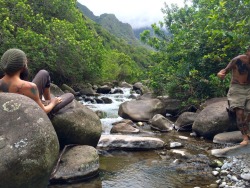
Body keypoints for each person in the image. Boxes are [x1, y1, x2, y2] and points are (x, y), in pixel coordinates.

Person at [0, 48, 74, 117]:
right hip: (32, 115)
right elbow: (42, 111)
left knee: (43, 73)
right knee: (69, 95)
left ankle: (46, 101)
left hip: (12, 110)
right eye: (26, 62)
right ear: (22, 67)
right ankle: (49, 105)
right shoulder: (30, 87)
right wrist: (53, 103)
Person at [217, 47, 250, 145]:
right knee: (239, 112)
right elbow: (224, 71)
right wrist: (220, 74)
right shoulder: (238, 60)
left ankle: (247, 130)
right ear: (247, 52)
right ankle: (245, 138)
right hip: (236, 88)